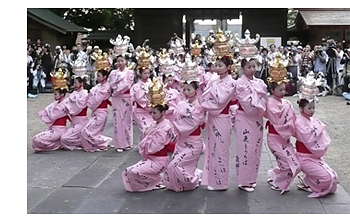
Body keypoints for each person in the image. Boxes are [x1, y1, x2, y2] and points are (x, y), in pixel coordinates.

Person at [122, 79, 175, 192]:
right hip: (149, 159)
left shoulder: (166, 127)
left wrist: (148, 134)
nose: (152, 115)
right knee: (127, 172)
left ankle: (156, 180)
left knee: (134, 172)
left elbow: (153, 147)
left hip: (159, 160)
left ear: (163, 113)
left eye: (154, 112)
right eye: (151, 112)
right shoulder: (154, 124)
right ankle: (154, 180)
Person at [162, 59, 206, 192]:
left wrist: (181, 120)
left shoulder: (200, 105)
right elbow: (175, 118)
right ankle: (181, 182)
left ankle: (192, 181)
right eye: (184, 89)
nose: (186, 92)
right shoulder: (181, 103)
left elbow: (193, 122)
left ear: (196, 89)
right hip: (181, 141)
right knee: (173, 166)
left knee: (176, 166)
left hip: (193, 141)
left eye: (189, 89)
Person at [294, 80, 338, 197]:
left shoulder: (313, 120)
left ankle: (308, 179)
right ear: (301, 108)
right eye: (309, 108)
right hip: (304, 157)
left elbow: (320, 135)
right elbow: (309, 138)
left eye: (313, 107)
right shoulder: (298, 122)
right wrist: (319, 129)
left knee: (334, 177)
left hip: (314, 156)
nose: (312, 111)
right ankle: (308, 182)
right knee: (328, 179)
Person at [199, 53, 237, 190]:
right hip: (213, 118)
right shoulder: (215, 80)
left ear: (228, 67)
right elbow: (204, 97)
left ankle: (221, 182)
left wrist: (213, 88)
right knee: (212, 149)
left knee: (221, 150)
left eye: (221, 66)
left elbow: (221, 100)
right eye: (216, 65)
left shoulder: (232, 82)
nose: (217, 68)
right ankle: (212, 179)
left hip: (222, 118)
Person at [265, 61, 301, 194]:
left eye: (284, 89)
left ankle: (274, 175)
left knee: (294, 163)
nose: (283, 92)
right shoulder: (269, 103)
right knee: (286, 164)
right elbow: (276, 119)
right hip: (274, 137)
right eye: (279, 89)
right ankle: (278, 181)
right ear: (272, 90)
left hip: (284, 139)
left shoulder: (286, 103)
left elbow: (293, 120)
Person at [234, 58, 268, 192]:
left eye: (254, 66)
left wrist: (260, 102)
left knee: (256, 149)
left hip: (257, 118)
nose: (252, 69)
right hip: (245, 117)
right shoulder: (240, 83)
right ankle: (243, 181)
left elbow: (265, 99)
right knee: (245, 149)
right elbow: (247, 105)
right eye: (249, 67)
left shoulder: (259, 82)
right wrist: (259, 101)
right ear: (243, 68)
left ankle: (252, 178)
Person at [32, 75, 69, 152]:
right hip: (54, 129)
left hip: (59, 130)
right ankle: (58, 144)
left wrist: (49, 111)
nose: (54, 96)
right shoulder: (56, 104)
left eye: (56, 94)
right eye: (54, 94)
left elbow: (52, 116)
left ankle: (57, 145)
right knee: (36, 139)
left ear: (62, 95)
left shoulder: (63, 106)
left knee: (37, 139)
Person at [81, 69, 113, 152]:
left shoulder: (107, 86)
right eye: (97, 76)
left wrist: (90, 101)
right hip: (95, 111)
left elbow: (97, 99)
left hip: (102, 112)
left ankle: (104, 142)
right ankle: (99, 143)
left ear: (105, 77)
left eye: (99, 76)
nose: (97, 78)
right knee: (87, 131)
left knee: (88, 131)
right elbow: (90, 97)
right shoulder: (97, 86)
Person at [108, 54, 134, 152]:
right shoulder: (113, 73)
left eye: (122, 61)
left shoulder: (130, 72)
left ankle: (127, 143)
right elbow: (111, 84)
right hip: (116, 98)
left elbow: (128, 84)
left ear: (126, 61)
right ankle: (119, 144)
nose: (120, 63)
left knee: (126, 120)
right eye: (118, 61)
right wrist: (116, 89)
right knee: (117, 120)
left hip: (126, 97)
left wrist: (118, 88)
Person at [60, 76, 89, 150]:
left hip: (81, 121)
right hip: (74, 120)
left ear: (81, 83)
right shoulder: (74, 93)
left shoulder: (85, 94)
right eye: (74, 83)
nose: (74, 84)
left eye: (76, 83)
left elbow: (78, 108)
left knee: (64, 138)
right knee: (64, 138)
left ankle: (83, 142)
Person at [131, 48, 154, 135]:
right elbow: (139, 99)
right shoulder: (136, 86)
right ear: (140, 74)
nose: (147, 75)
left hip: (151, 111)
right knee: (145, 130)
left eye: (148, 73)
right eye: (145, 73)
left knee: (152, 129)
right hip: (140, 111)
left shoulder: (152, 84)